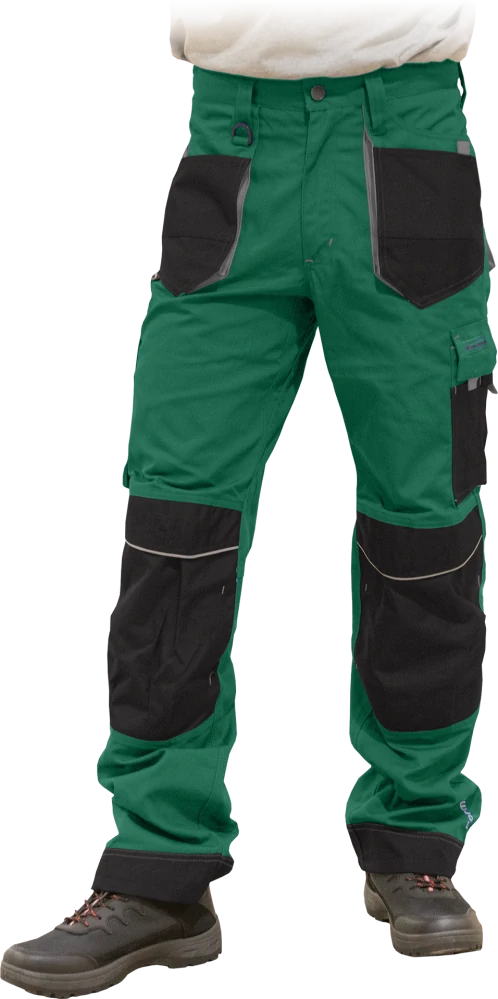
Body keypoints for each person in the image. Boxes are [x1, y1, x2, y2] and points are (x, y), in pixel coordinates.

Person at [1, 1, 495, 992]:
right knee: (173, 525)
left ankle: (417, 841)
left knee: (425, 517)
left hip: (403, 131)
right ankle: (158, 867)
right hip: (231, 136)